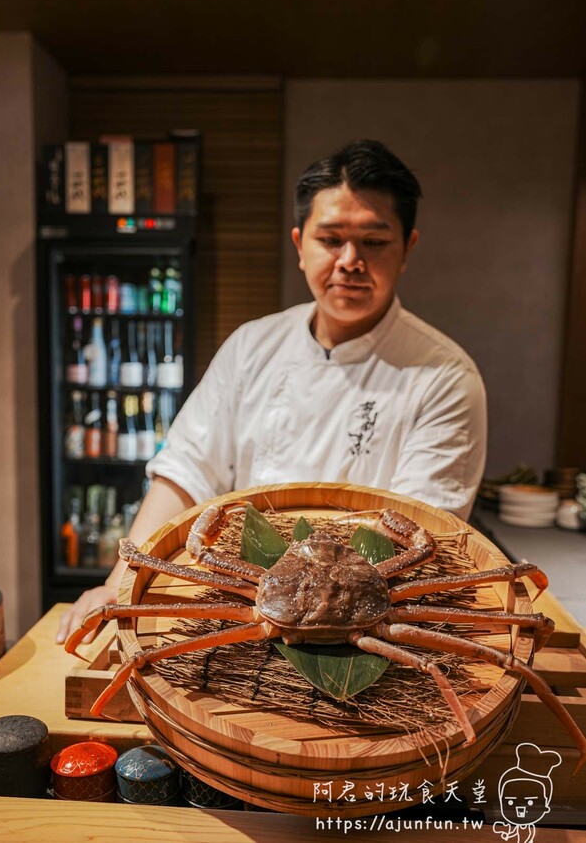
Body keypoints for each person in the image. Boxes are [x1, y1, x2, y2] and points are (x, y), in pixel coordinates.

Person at [56, 139, 487, 644]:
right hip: (244, 606)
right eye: (331, 239)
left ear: (407, 248)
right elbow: (187, 471)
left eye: (374, 242)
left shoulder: (445, 376)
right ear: (300, 245)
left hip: (363, 622)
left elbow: (424, 530)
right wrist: (119, 583)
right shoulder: (252, 345)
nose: (350, 260)